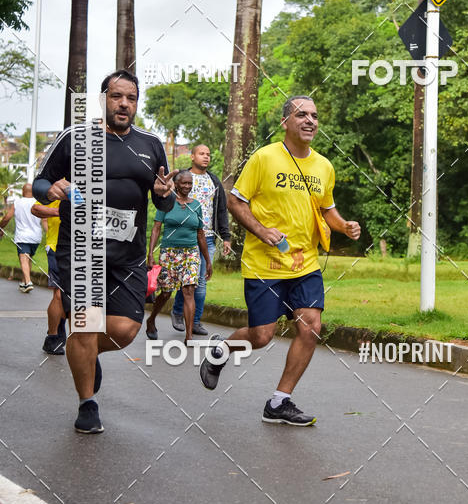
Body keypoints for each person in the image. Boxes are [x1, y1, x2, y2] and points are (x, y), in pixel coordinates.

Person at [200, 95, 361, 426]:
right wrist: (261, 231)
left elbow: (326, 208)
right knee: (261, 337)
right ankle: (220, 351)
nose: (310, 121)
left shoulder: (324, 166)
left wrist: (343, 225)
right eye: (302, 114)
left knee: (311, 326)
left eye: (315, 116)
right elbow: (235, 201)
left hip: (305, 264)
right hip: (265, 265)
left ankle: (279, 401)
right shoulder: (264, 158)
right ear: (285, 122)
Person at [33, 70, 177, 434]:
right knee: (86, 324)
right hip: (80, 249)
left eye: (131, 98)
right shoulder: (75, 138)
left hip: (127, 255)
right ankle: (88, 403)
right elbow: (39, 183)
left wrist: (164, 195)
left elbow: (165, 203)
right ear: (103, 100)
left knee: (127, 329)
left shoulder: (150, 144)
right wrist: (53, 189)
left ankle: (86, 352)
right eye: (116, 96)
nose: (124, 104)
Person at [170, 144, 231, 336]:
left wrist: (226, 237)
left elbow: (221, 210)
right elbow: (168, 205)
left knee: (200, 283)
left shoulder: (214, 181)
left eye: (208, 154)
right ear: (192, 156)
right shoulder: (180, 178)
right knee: (187, 281)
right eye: (201, 154)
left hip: (208, 238)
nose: (206, 157)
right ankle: (178, 312)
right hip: (185, 238)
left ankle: (195, 321)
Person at [146, 170, 212, 343]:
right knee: (166, 293)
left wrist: (208, 261)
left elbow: (200, 234)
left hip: (191, 253)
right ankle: (151, 319)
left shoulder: (196, 205)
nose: (187, 186)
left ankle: (189, 336)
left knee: (189, 290)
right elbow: (156, 228)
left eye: (190, 183)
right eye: (184, 183)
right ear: (175, 183)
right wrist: (150, 253)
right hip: (169, 252)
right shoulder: (166, 203)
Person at [30, 198, 67, 354]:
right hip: (57, 248)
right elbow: (36, 209)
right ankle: (52, 337)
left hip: (85, 250)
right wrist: (60, 212)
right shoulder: (59, 184)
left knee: (80, 294)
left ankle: (63, 329)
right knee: (59, 294)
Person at [0, 183, 43, 292]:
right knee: (28, 259)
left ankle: (28, 282)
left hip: (23, 236)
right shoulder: (38, 202)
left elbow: (7, 217)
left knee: (23, 258)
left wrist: (1, 227)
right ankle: (24, 283)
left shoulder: (18, 202)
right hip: (36, 237)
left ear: (23, 192)